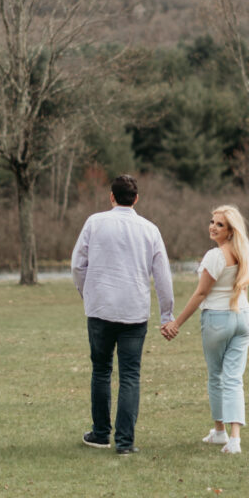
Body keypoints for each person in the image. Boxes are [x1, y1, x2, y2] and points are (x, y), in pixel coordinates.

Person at [71, 174, 174, 455]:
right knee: (130, 375)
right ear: (136, 199)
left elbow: (78, 264)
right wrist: (167, 314)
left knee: (101, 370)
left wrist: (87, 293)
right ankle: (125, 442)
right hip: (134, 312)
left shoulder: (94, 223)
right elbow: (162, 275)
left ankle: (101, 434)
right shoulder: (150, 230)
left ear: (111, 196)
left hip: (100, 309)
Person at [161, 204, 249, 454]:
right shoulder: (245, 253)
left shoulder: (215, 257)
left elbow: (201, 293)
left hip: (218, 320)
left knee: (217, 377)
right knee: (233, 378)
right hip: (243, 318)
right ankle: (234, 439)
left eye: (220, 224)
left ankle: (221, 432)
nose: (213, 227)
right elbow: (244, 288)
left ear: (230, 231)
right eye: (212, 222)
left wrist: (176, 324)